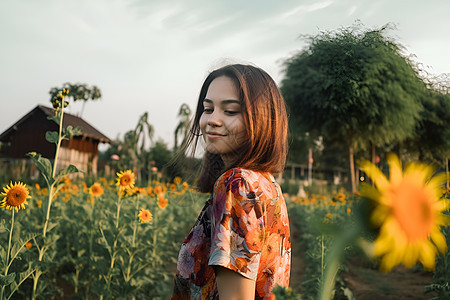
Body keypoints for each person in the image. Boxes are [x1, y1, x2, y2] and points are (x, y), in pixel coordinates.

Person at [172, 63, 291, 299]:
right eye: (208, 109)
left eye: (230, 111)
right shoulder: (266, 184)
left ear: (262, 119)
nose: (212, 120)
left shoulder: (237, 184)